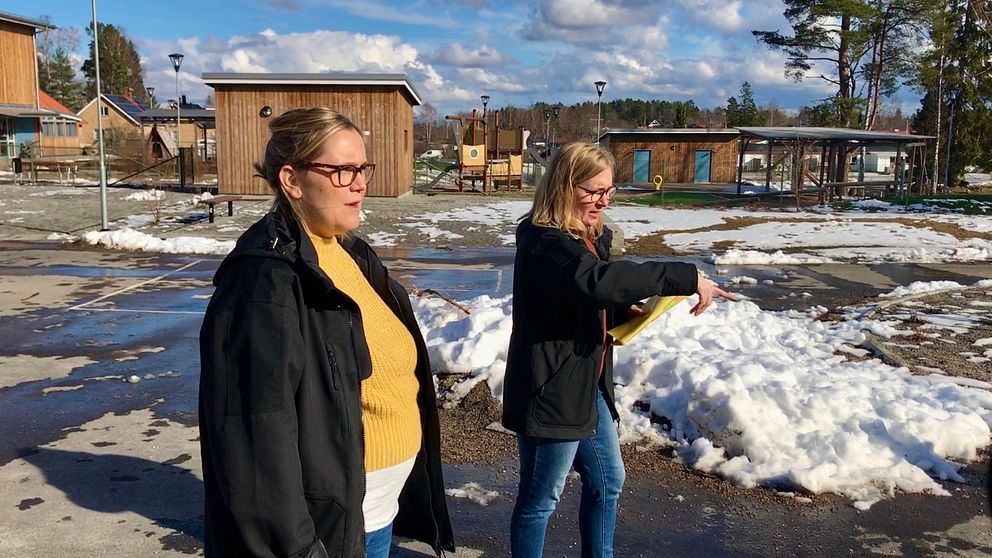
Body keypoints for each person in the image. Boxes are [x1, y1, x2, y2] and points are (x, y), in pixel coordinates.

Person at [199, 107, 454, 558]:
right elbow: (255, 444)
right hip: (328, 530)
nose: (359, 182)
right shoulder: (265, 284)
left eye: (362, 168)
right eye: (341, 170)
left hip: (370, 511)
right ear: (292, 181)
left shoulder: (348, 253)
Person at [502, 141, 735, 557]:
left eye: (609, 191)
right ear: (563, 185)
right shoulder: (546, 241)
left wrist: (616, 308)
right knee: (541, 500)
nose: (602, 201)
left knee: (608, 481)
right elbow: (594, 280)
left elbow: (585, 292)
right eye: (592, 190)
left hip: (585, 385)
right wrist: (683, 276)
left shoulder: (585, 237)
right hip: (550, 390)